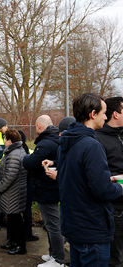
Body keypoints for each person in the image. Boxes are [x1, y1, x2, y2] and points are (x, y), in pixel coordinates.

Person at [49, 93, 123, 266]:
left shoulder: (68, 142)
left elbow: (77, 179)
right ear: (93, 114)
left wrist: (109, 179)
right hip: (92, 230)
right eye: (104, 112)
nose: (106, 116)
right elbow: (102, 191)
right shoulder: (91, 145)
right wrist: (120, 186)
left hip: (74, 227)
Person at [23, 115, 65, 267]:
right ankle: (53, 254)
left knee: (53, 224)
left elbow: (31, 162)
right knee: (51, 224)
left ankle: (58, 260)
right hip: (50, 187)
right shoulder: (55, 139)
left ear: (39, 127)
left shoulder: (46, 143)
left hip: (46, 189)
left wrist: (26, 157)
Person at [95, 97, 123, 267]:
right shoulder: (98, 139)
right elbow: (99, 176)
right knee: (116, 258)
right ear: (115, 115)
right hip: (115, 208)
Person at [0, 129, 27, 255]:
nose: (4, 141)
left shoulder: (15, 154)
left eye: (5, 138)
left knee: (16, 221)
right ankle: (13, 242)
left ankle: (20, 246)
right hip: (12, 192)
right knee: (12, 220)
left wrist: (0, 187)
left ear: (10, 140)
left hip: (13, 193)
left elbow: (10, 175)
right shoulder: (14, 151)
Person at [18, 130, 39, 242]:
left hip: (24, 185)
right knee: (27, 210)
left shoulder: (19, 151)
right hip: (29, 184)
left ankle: (25, 234)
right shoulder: (26, 150)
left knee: (24, 211)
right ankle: (28, 233)